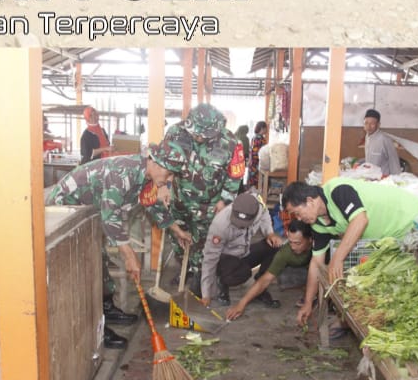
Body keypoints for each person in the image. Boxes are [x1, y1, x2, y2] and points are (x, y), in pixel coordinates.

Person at [45, 143, 190, 347]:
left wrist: (177, 230)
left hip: (90, 211)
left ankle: (106, 308)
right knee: (83, 273)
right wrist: (130, 256)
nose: (169, 180)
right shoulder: (123, 174)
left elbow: (153, 204)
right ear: (155, 164)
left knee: (99, 260)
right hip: (67, 210)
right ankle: (95, 328)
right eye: (169, 174)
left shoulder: (146, 176)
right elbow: (111, 217)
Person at [281, 178, 418, 327]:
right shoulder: (318, 224)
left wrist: (337, 259)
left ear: (310, 201)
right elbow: (316, 263)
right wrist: (308, 302)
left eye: (297, 213)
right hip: (384, 236)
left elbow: (360, 220)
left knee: (398, 283)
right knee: (379, 283)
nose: (299, 219)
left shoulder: (338, 190)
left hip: (407, 218)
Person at [159, 103, 245, 295]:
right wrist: (163, 187)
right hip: (179, 199)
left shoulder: (231, 142)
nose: (197, 137)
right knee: (178, 238)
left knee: (205, 244)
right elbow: (162, 163)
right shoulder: (175, 132)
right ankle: (186, 268)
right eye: (194, 133)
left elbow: (235, 175)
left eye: (202, 135)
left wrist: (225, 200)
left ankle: (201, 279)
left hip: (209, 205)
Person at [199, 191, 283, 307]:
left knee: (274, 246)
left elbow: (265, 215)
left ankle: (260, 287)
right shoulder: (220, 225)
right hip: (226, 258)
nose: (240, 226)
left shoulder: (257, 206)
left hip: (244, 252)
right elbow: (209, 260)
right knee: (243, 273)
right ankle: (221, 282)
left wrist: (269, 233)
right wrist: (206, 294)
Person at [226, 218, 315, 320]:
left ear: (310, 240)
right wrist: (241, 304)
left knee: (316, 274)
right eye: (290, 242)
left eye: (297, 243)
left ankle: (312, 294)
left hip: (314, 271)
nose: (293, 247)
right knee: (283, 276)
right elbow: (265, 279)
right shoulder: (285, 253)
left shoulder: (320, 249)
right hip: (300, 271)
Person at [361, 108, 402, 177]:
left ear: (378, 125)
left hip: (383, 179)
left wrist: (396, 179)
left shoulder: (384, 139)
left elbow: (394, 161)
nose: (368, 126)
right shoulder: (367, 137)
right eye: (366, 123)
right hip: (370, 177)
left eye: (372, 123)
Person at [247, 121, 268, 190]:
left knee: (252, 185)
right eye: (266, 128)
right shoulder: (260, 139)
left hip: (252, 164)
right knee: (256, 185)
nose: (267, 130)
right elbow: (257, 153)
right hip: (256, 164)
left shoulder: (254, 137)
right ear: (262, 128)